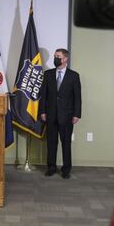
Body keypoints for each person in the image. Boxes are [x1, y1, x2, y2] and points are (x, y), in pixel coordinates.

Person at [39, 48, 81, 179]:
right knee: (51, 143)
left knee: (66, 142)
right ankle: (51, 167)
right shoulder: (48, 74)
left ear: (65, 59)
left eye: (58, 56)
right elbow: (43, 95)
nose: (55, 58)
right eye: (55, 56)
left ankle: (66, 170)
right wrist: (42, 111)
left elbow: (77, 97)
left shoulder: (74, 76)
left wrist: (76, 114)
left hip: (67, 116)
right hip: (50, 115)